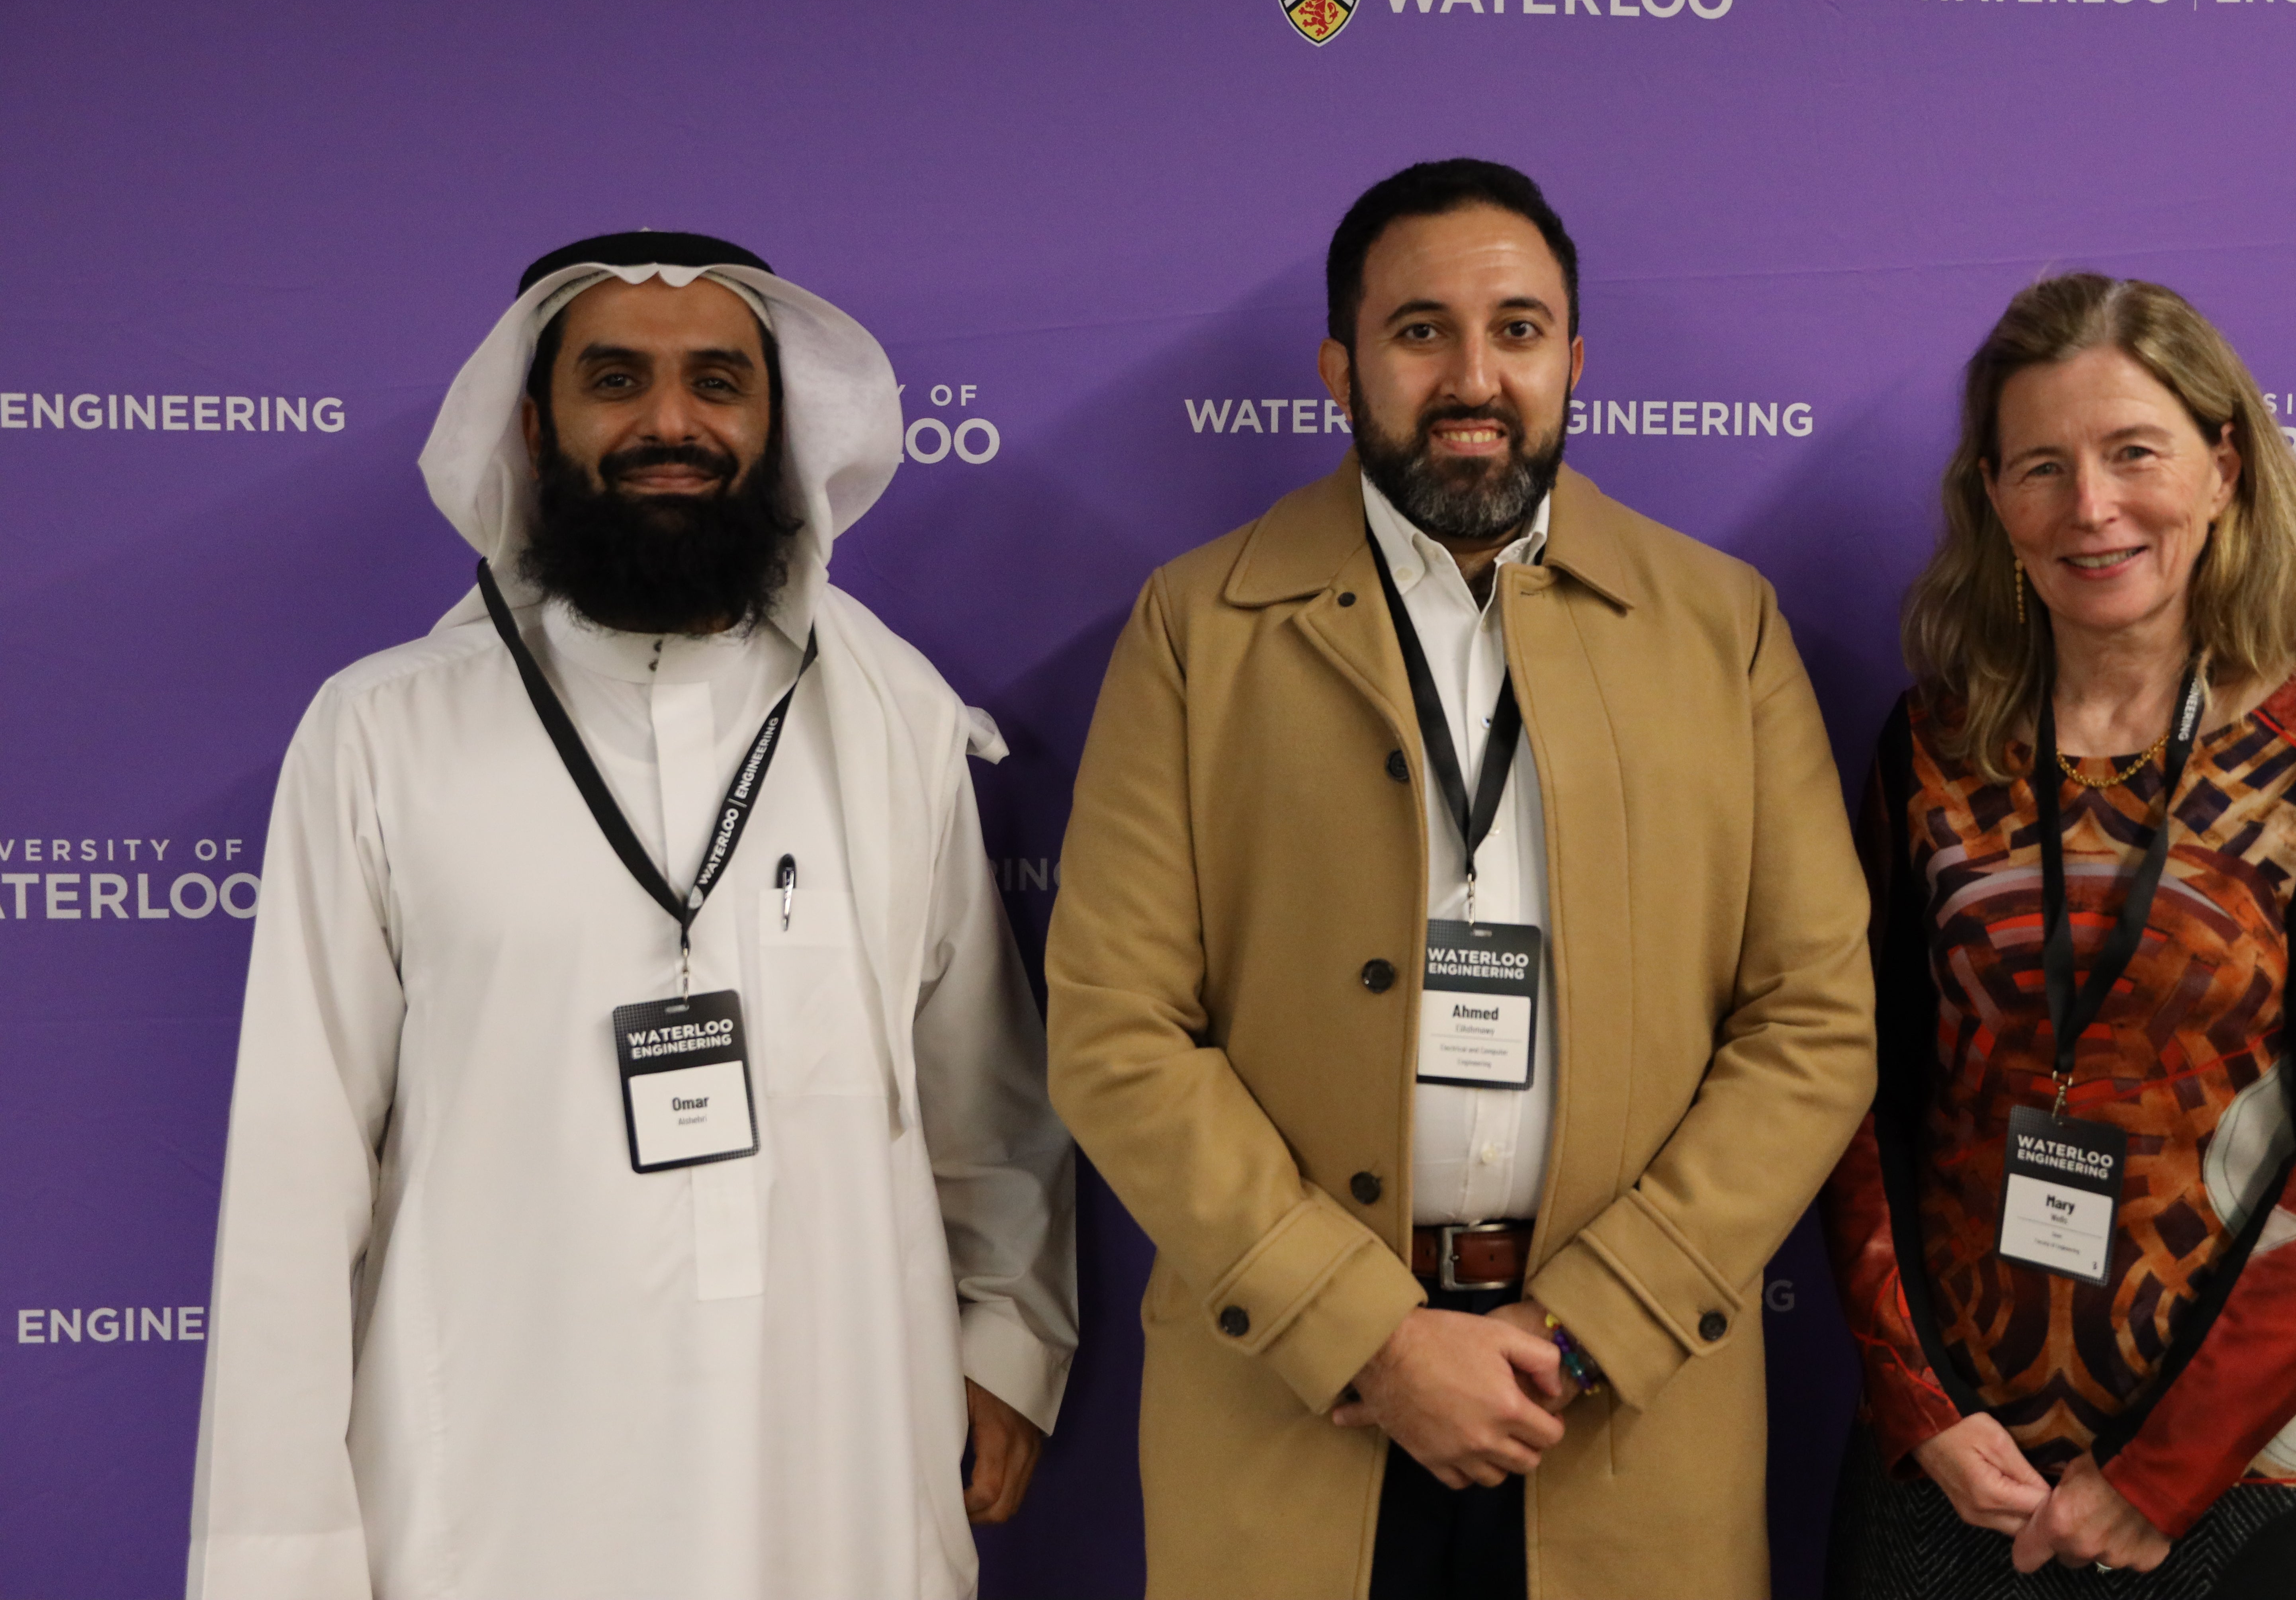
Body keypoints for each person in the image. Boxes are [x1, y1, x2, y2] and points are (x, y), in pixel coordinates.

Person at [187, 232, 1078, 1600]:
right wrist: (280, 1557)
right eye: (619, 381)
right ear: (537, 428)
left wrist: (1010, 1343)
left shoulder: (892, 714)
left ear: (775, 424)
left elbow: (985, 1091)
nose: (673, 424)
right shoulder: (384, 734)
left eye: (718, 382)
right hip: (494, 1492)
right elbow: (294, 1187)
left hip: (836, 1467)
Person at [1044, 159, 1877, 1600]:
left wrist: (1592, 1327)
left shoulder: (1723, 627)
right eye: (1421, 330)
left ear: (1574, 361)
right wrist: (1367, 1329)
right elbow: (1116, 1031)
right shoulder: (1198, 628)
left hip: (1621, 1408)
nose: (1473, 374)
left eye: (1519, 328)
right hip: (1292, 1393)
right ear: (1340, 366)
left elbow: (1815, 1025)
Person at [1819, 273, 2296, 1597]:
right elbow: (1847, 1087)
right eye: (2042, 466)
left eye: (2133, 454)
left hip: (2262, 1466)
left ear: (2223, 469)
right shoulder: (1931, 745)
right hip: (1964, 1470)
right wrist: (1916, 1404)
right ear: (1994, 500)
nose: (2092, 508)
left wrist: (2164, 1473)